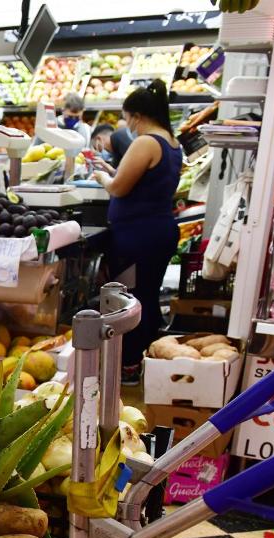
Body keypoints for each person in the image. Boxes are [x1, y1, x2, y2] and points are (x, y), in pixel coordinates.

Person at [90, 81, 183, 384]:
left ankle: (128, 364)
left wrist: (102, 176)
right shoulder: (171, 142)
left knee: (129, 300)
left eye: (126, 117)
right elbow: (141, 182)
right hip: (157, 230)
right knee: (148, 294)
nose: (125, 124)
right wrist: (110, 167)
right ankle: (140, 359)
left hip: (139, 235)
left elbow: (119, 187)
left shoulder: (145, 142)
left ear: (137, 116)